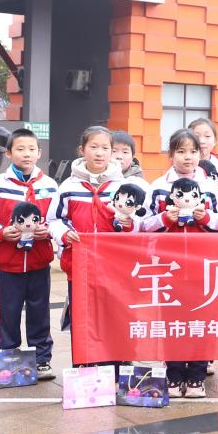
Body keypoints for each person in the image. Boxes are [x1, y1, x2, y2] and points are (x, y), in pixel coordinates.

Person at [142, 129, 218, 398]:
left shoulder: (210, 187)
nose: (187, 157)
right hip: (169, 267)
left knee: (203, 319)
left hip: (203, 266)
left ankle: (197, 376)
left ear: (201, 154)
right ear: (170, 154)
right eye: (181, 151)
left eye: (193, 151)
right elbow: (143, 224)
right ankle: (174, 374)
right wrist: (164, 219)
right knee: (172, 321)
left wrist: (206, 218)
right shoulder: (158, 186)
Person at [0, 128, 59, 379]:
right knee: (9, 312)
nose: (27, 154)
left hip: (39, 261)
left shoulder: (49, 185)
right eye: (20, 149)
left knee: (40, 313)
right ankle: (8, 358)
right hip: (9, 262)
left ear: (39, 153)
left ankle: (41, 360)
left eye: (32, 149)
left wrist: (47, 231)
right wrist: (1, 232)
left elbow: (57, 219)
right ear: (8, 153)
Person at [47, 126, 126, 335]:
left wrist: (128, 223)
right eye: (94, 147)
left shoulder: (121, 187)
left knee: (112, 316)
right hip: (78, 262)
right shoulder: (68, 186)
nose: (99, 153)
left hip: (113, 265)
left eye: (105, 148)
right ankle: (82, 356)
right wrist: (64, 234)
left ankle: (112, 355)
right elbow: (54, 219)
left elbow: (135, 221)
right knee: (82, 316)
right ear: (82, 150)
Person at [189, 117, 218, 218]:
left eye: (207, 136)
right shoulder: (181, 170)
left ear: (215, 141)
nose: (201, 141)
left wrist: (216, 208)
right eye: (197, 136)